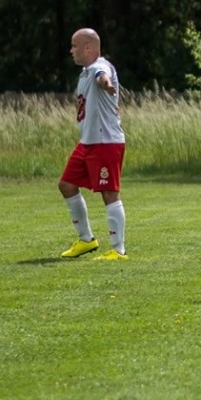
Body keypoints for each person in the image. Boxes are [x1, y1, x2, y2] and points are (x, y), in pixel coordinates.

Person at [59, 28, 129, 261]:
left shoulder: (101, 66)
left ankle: (118, 250)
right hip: (88, 142)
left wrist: (106, 84)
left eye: (74, 46)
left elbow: (102, 77)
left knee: (109, 193)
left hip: (105, 142)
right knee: (67, 185)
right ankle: (86, 240)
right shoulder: (84, 73)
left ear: (88, 47)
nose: (71, 50)